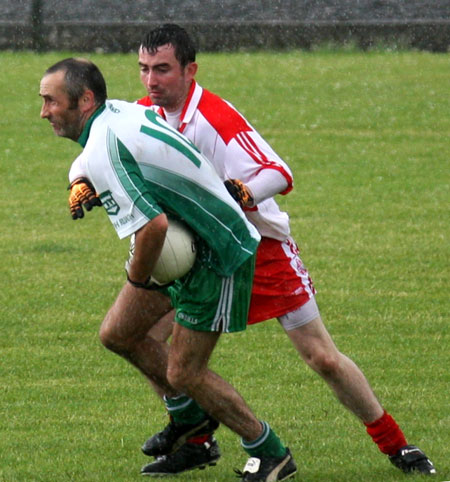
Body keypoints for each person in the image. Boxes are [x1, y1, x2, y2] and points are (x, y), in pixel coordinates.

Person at [67, 26, 436, 477]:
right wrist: (80, 180)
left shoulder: (216, 118)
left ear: (190, 70)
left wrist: (242, 190)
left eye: (162, 69)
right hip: (196, 256)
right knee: (137, 338)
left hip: (260, 251)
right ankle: (195, 437)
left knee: (321, 357)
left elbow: (279, 171)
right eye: (144, 69)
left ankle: (396, 445)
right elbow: (96, 148)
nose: (151, 81)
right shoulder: (143, 112)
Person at [40, 57, 298, 482]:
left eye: (51, 101)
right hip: (187, 243)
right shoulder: (118, 112)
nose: (44, 111)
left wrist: (138, 280)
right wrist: (78, 179)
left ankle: (270, 452)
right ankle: (193, 430)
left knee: (184, 371)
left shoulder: (105, 146)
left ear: (84, 100)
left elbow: (154, 228)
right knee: (118, 333)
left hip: (217, 251)